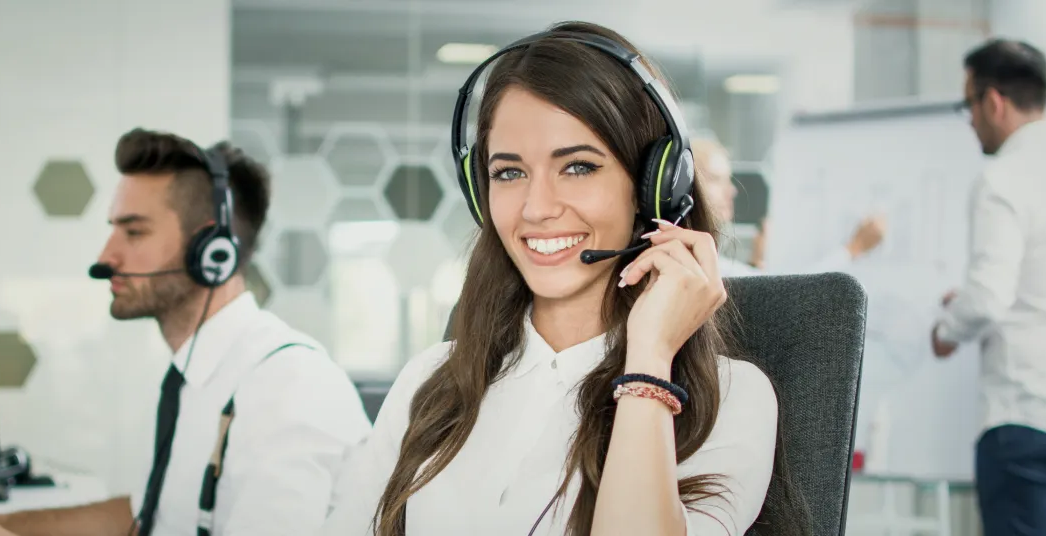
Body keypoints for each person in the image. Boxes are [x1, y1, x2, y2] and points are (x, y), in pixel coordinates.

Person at [321, 22, 808, 536]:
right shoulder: (430, 382)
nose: (537, 208)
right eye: (509, 172)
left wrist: (648, 361)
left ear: (653, 187)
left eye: (577, 167)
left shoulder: (731, 401)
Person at [0, 129, 373, 536]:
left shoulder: (287, 387)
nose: (106, 257)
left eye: (134, 231)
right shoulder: (200, 376)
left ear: (212, 253)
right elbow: (147, 521)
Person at [931, 38, 1046, 536]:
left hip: (1026, 419)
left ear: (992, 100)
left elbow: (990, 299)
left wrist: (947, 328)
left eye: (968, 104)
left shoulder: (1004, 178)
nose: (970, 119)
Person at [689, 138, 887, 276]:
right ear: (686, 185)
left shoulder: (709, 257)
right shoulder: (696, 260)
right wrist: (854, 249)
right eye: (716, 179)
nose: (731, 191)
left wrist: (754, 264)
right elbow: (792, 294)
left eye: (728, 180)